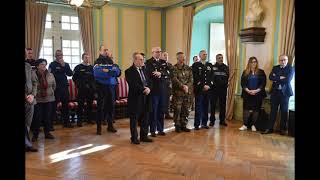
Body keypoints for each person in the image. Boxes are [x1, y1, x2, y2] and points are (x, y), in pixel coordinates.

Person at [125, 52, 154, 144]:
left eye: (143, 59)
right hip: (136, 99)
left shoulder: (145, 70)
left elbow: (150, 81)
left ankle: (144, 136)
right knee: (134, 119)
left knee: (145, 118)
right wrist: (143, 89)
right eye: (141, 59)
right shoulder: (128, 71)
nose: (143, 61)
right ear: (135, 60)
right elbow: (133, 85)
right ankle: (134, 138)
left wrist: (149, 88)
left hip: (146, 97)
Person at [262, 55, 294, 135]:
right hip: (275, 93)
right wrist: (280, 77)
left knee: (284, 112)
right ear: (279, 61)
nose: (283, 61)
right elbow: (270, 77)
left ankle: (283, 129)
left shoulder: (291, 68)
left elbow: (288, 80)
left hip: (285, 93)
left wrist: (276, 77)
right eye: (281, 60)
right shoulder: (275, 68)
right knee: (273, 111)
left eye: (284, 60)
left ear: (287, 60)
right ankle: (270, 128)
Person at [94, 45, 121, 135]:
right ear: (100, 52)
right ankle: (99, 128)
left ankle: (110, 126)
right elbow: (98, 73)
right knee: (100, 108)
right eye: (104, 50)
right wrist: (110, 73)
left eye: (107, 49)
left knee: (111, 107)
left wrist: (107, 71)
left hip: (111, 87)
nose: (106, 51)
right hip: (101, 87)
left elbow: (117, 72)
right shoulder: (97, 61)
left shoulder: (110, 60)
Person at [145, 47, 170, 137]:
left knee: (161, 110)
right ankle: (152, 130)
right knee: (153, 111)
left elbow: (168, 73)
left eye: (160, 51)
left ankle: (160, 129)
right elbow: (149, 74)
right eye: (157, 52)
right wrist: (159, 74)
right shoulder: (148, 62)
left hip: (163, 90)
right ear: (152, 53)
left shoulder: (163, 62)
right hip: (154, 90)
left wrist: (160, 73)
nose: (159, 53)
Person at [239, 57, 266, 131]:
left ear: (256, 63)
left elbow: (263, 83)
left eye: (255, 62)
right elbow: (242, 83)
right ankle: (245, 125)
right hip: (247, 94)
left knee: (256, 110)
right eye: (251, 62)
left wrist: (256, 91)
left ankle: (253, 125)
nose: (253, 63)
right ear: (249, 63)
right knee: (246, 110)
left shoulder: (261, 72)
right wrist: (248, 90)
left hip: (258, 95)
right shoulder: (245, 72)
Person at [31, 59, 56, 141]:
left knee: (47, 117)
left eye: (45, 64)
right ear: (37, 66)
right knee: (37, 118)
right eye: (42, 64)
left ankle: (47, 133)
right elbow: (32, 86)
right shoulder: (33, 74)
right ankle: (35, 135)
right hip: (38, 99)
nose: (44, 66)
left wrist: (49, 92)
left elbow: (54, 86)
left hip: (49, 98)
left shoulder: (50, 74)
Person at [49, 50, 74, 128]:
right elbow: (50, 74)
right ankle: (50, 125)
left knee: (65, 106)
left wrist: (63, 66)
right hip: (55, 88)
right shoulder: (52, 64)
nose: (60, 56)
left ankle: (66, 123)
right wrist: (59, 68)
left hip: (64, 88)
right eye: (58, 55)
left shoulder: (66, 64)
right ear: (55, 56)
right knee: (53, 106)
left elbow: (70, 73)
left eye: (61, 55)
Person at [73, 53, 97, 126]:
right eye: (86, 57)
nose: (87, 59)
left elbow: (95, 78)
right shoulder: (78, 67)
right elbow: (74, 78)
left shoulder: (92, 68)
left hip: (90, 90)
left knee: (90, 105)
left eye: (88, 57)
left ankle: (89, 119)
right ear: (82, 58)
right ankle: (79, 121)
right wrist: (79, 85)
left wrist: (93, 87)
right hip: (82, 89)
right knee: (80, 105)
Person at [171, 52, 193, 133]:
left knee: (186, 110)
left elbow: (191, 79)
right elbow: (174, 79)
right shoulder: (174, 68)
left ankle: (184, 125)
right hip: (178, 94)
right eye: (181, 57)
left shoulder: (188, 68)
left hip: (187, 93)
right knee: (177, 110)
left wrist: (187, 86)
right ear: (177, 58)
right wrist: (183, 86)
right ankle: (177, 125)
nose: (183, 58)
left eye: (183, 57)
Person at [192, 50, 213, 130]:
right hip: (199, 90)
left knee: (206, 107)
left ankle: (204, 123)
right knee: (198, 107)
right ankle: (197, 124)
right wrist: (202, 85)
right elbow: (195, 77)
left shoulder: (209, 65)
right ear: (200, 55)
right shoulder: (196, 65)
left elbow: (212, 76)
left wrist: (209, 85)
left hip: (208, 90)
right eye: (204, 54)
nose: (205, 55)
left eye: (206, 54)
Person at [209, 54, 229, 127]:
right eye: (219, 58)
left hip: (223, 90)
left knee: (222, 105)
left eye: (222, 58)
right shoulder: (212, 67)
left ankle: (222, 120)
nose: (221, 59)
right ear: (216, 59)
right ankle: (212, 121)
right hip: (214, 89)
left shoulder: (226, 67)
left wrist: (224, 84)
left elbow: (227, 78)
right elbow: (211, 78)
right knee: (213, 106)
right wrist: (214, 84)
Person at [25, 62, 38, 152]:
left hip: (30, 100)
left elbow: (34, 82)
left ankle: (27, 144)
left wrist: (32, 95)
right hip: (26, 97)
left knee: (27, 124)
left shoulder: (28, 66)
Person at [161, 51, 174, 119]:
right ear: (161, 56)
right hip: (161, 85)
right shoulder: (159, 64)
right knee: (162, 100)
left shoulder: (170, 65)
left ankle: (167, 113)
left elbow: (172, 75)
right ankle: (161, 113)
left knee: (167, 100)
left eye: (167, 55)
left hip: (168, 84)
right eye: (164, 55)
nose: (166, 57)